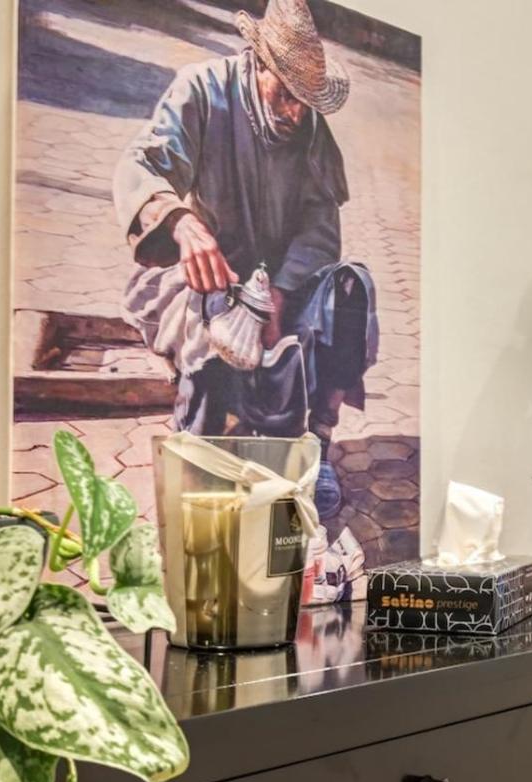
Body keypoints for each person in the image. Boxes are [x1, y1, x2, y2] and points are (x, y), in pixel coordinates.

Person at [113, 0, 377, 516]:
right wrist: (180, 221)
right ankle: (201, 460)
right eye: (288, 95)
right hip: (217, 272)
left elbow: (321, 228)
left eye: (307, 102)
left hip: (287, 281)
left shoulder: (309, 127)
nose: (296, 112)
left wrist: (280, 292)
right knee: (211, 329)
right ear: (259, 64)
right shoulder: (201, 89)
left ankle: (317, 445)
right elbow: (143, 163)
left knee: (351, 289)